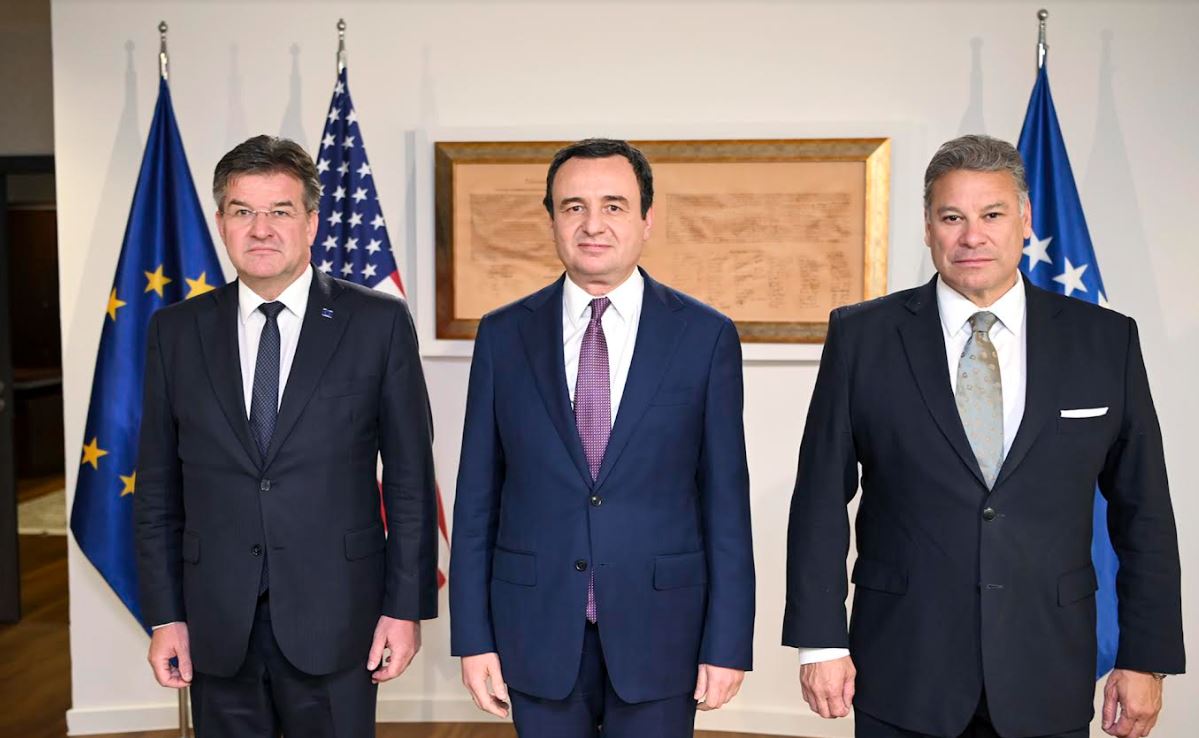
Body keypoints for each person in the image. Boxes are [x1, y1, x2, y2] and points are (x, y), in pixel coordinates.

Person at [783, 134, 1184, 738]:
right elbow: (818, 499)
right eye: (953, 218)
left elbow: (1145, 512)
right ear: (928, 228)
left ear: (1025, 220)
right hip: (902, 665)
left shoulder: (1106, 341)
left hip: (1048, 666)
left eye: (992, 215)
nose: (973, 236)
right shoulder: (862, 338)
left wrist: (1145, 656)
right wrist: (820, 642)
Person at [449, 138, 755, 737]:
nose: (593, 225)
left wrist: (727, 642)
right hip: (534, 626)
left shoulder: (705, 336)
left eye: (614, 206)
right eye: (574, 207)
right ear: (551, 220)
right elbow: (476, 498)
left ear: (646, 219)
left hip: (662, 631)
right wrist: (474, 638)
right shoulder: (503, 335)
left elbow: (725, 502)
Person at [134, 135, 438, 737]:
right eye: (243, 211)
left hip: (340, 616)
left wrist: (404, 609)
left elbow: (410, 482)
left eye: (280, 210)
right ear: (221, 223)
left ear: (311, 222)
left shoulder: (376, 322)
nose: (261, 229)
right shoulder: (176, 331)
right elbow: (157, 491)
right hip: (217, 621)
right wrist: (165, 616)